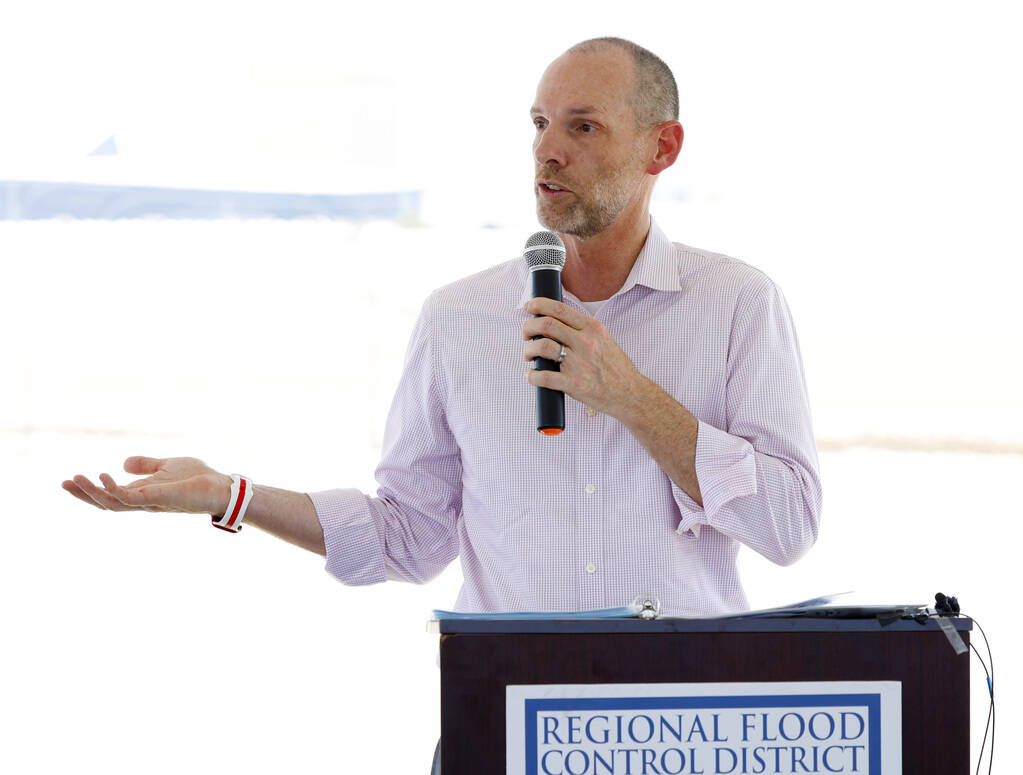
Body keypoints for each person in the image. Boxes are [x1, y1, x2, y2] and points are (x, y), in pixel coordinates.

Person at [62, 37, 821, 619]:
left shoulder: (737, 304)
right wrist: (231, 494)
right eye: (538, 123)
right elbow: (408, 537)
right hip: (503, 713)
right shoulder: (459, 317)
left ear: (663, 146)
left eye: (583, 126)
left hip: (687, 719)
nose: (546, 151)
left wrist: (632, 398)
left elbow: (788, 527)